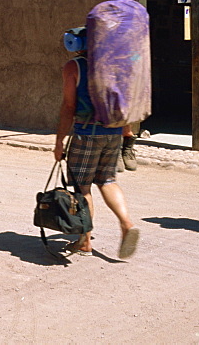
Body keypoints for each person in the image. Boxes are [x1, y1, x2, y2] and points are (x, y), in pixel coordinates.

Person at [54, 27, 140, 259]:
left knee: (83, 187)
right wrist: (126, 133)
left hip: (86, 133)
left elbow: (69, 107)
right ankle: (126, 223)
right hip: (112, 133)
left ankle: (85, 240)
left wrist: (60, 140)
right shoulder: (115, 65)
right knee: (108, 180)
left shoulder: (74, 67)